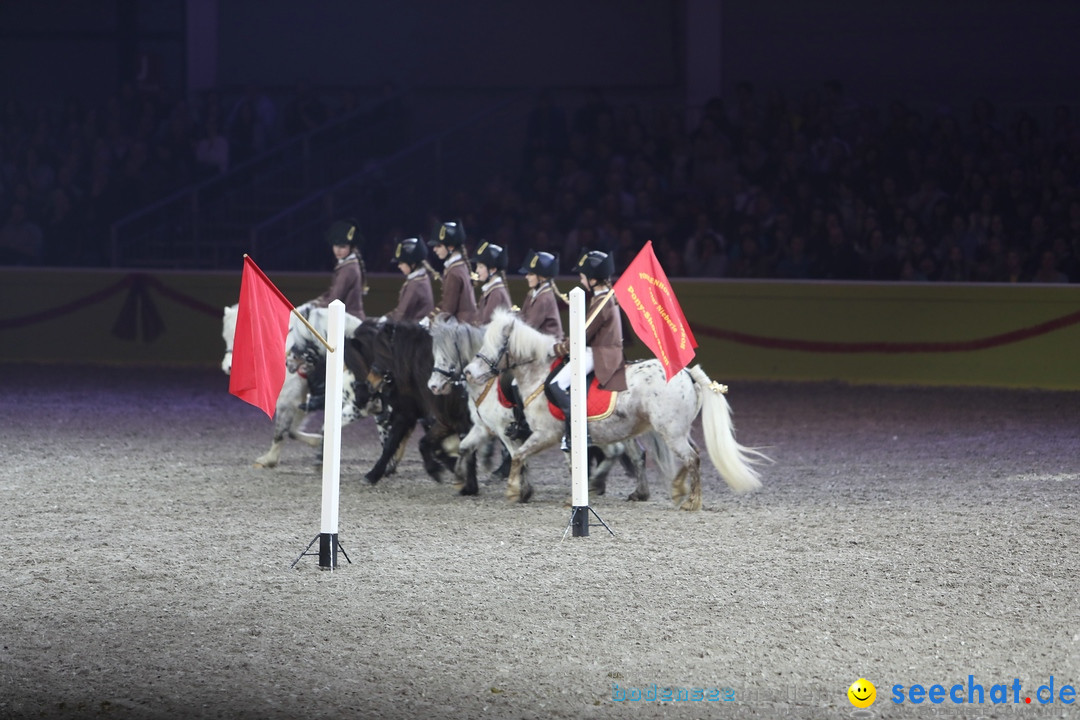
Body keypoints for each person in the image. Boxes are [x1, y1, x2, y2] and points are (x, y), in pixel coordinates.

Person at [548, 250, 627, 452]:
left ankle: (577, 433)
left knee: (557, 384)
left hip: (599, 353)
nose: (580, 277)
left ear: (592, 279)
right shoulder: (604, 297)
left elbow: (582, 335)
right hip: (599, 348)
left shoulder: (602, 301)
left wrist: (557, 348)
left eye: (583, 274)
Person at [503, 249, 565, 441]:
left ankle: (525, 424)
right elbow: (524, 318)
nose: (527, 277)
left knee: (515, 382)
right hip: (537, 348)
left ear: (541, 276)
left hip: (548, 350)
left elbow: (529, 327)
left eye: (530, 274)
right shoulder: (534, 293)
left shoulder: (544, 296)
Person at [308, 219, 366, 319]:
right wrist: (316, 302)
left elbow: (335, 298)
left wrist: (313, 307)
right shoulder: (346, 265)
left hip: (350, 318)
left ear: (351, 247)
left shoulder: (349, 269)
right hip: (344, 316)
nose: (337, 250)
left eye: (342, 247)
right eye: (335, 246)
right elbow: (331, 293)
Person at [428, 220, 478, 324]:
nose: (434, 249)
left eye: (438, 246)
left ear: (450, 247)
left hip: (460, 328)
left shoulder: (454, 272)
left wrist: (429, 323)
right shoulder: (459, 266)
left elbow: (448, 310)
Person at [382, 237, 435, 323]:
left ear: (412, 264)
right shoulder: (420, 278)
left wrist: (386, 321)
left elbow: (402, 312)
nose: (399, 266)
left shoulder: (416, 284)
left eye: (401, 263)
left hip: (415, 331)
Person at [473, 241, 512, 325]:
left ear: (493, 270)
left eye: (480, 267)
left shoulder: (496, 292)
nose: (477, 270)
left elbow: (486, 321)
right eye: (477, 266)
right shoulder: (492, 290)